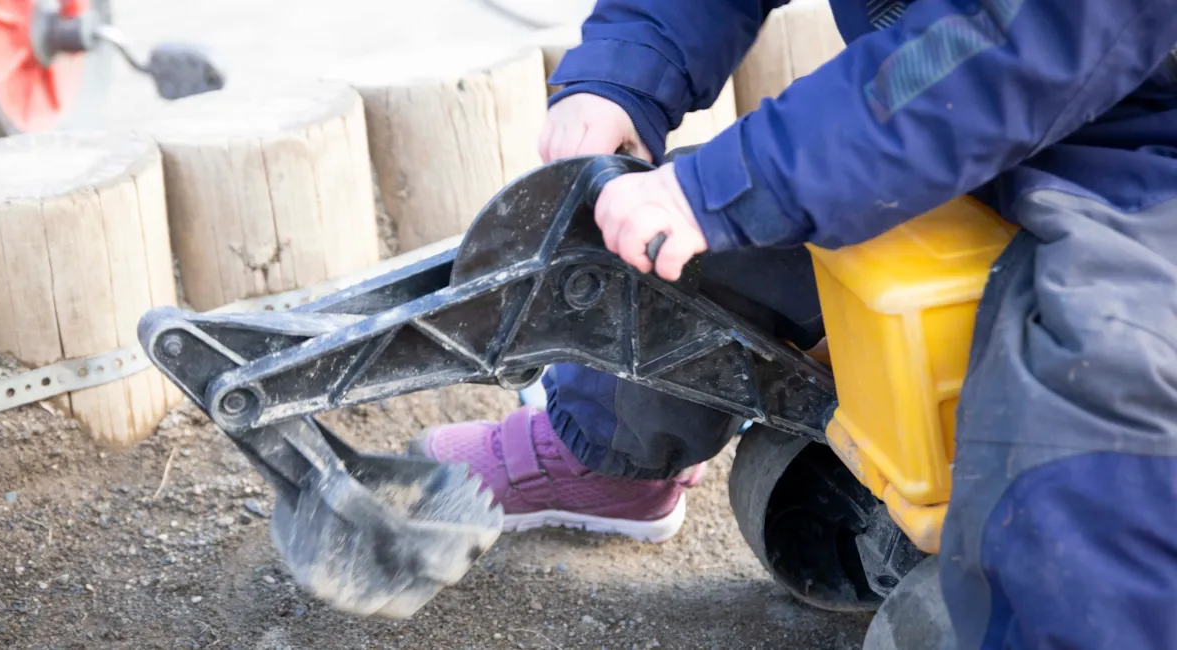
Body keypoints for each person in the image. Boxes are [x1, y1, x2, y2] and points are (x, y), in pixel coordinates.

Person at [415, 0, 1177, 646]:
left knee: (1098, 384)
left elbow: (1015, 36)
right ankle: (605, 450)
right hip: (941, 114)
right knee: (672, 241)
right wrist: (626, 67)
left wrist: (746, 178)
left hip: (1137, 166)